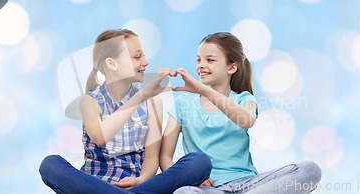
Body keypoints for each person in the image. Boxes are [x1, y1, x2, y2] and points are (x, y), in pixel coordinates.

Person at [39, 29, 211, 194]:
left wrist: (140, 180)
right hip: (94, 184)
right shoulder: (90, 101)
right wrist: (141, 96)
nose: (145, 62)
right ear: (111, 63)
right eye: (137, 57)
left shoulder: (152, 102)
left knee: (199, 162)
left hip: (137, 185)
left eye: (143, 55)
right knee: (50, 165)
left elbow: (152, 159)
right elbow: (100, 137)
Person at [160, 32, 321, 193]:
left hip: (249, 185)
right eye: (198, 60)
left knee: (309, 169)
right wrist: (190, 178)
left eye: (210, 60)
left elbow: (246, 120)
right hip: (209, 189)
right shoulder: (182, 104)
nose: (201, 65)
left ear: (232, 67)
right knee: (184, 192)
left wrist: (203, 90)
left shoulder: (244, 99)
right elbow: (165, 157)